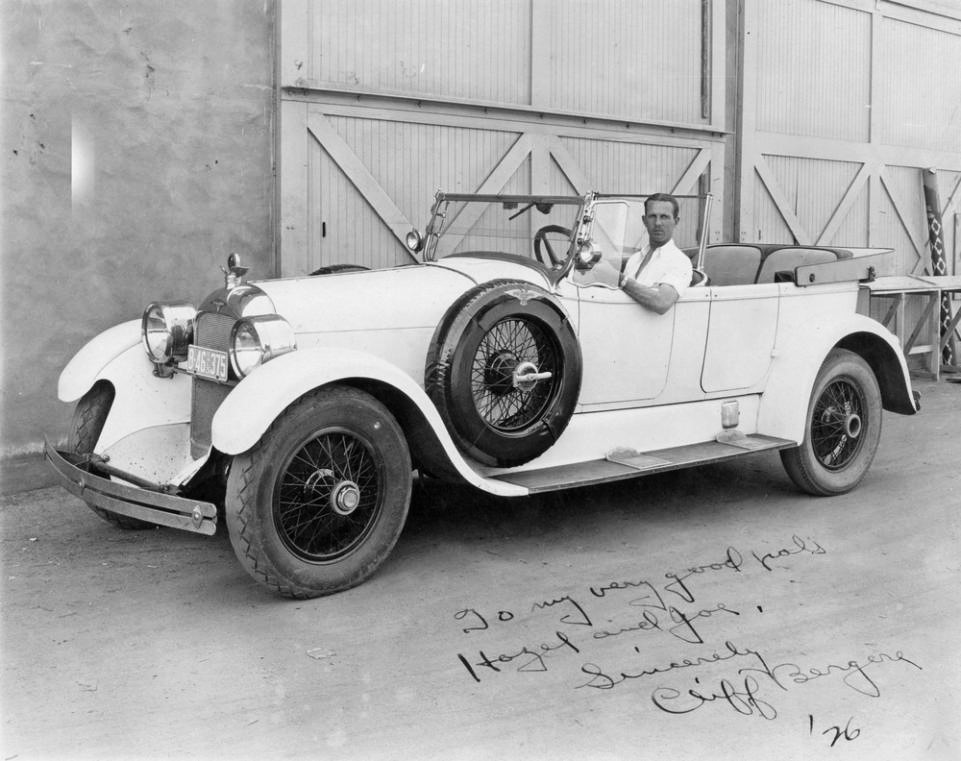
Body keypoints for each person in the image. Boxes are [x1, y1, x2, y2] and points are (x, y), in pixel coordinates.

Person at [613, 192, 692, 314]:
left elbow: (662, 302)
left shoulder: (680, 262)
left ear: (676, 221)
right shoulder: (634, 259)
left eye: (664, 217)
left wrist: (619, 279)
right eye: (652, 216)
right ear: (644, 220)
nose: (658, 223)